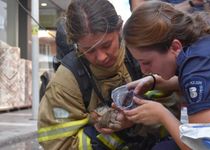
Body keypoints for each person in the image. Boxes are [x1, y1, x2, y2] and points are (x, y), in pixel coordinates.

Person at [37, 0, 180, 149]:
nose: (101, 57)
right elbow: (57, 144)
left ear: (119, 29)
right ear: (76, 45)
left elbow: (172, 113)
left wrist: (137, 118)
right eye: (89, 50)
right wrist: (113, 130)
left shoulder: (143, 57)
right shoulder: (65, 82)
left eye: (106, 45)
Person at [122, 1, 210, 149]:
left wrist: (161, 115)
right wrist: (154, 82)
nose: (144, 70)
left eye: (147, 62)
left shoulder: (197, 67)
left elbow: (204, 146)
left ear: (175, 47)